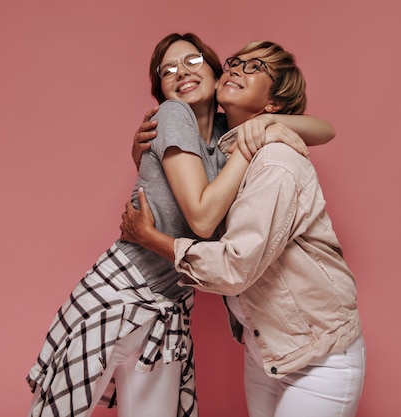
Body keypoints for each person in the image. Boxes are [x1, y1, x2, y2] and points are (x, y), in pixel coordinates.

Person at [26, 33, 335, 417]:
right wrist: (251, 143)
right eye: (167, 70)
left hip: (171, 304)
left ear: (215, 71)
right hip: (122, 289)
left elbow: (324, 130)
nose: (181, 72)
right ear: (163, 90)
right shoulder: (176, 116)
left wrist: (269, 120)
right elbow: (203, 221)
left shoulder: (227, 131)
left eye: (192, 60)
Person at [121, 40, 365, 417]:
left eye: (255, 69)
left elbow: (234, 266)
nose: (238, 69)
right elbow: (321, 129)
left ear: (274, 103)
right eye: (236, 62)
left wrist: (154, 241)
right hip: (265, 350)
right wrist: (143, 153)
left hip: (318, 356)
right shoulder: (221, 145)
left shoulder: (274, 160)